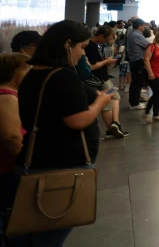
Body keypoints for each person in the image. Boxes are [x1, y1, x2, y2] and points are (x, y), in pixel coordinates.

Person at [14, 20, 112, 246]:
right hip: (60, 163)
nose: (82, 54)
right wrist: (100, 103)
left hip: (37, 157)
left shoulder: (32, 74)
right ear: (67, 44)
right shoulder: (64, 76)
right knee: (50, 234)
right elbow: (77, 120)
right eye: (81, 48)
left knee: (32, 231)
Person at [0, 53, 28, 236]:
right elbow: (12, 137)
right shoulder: (6, 96)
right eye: (27, 69)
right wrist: (24, 164)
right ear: (14, 72)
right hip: (8, 168)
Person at [83, 26, 126, 138]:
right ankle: (115, 125)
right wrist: (106, 61)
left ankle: (112, 128)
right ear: (101, 36)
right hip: (100, 78)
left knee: (108, 102)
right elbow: (91, 66)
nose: (106, 42)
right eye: (106, 39)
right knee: (114, 97)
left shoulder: (92, 46)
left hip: (100, 77)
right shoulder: (90, 47)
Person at [127, 19, 150, 110]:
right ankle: (134, 103)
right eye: (143, 25)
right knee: (136, 83)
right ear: (139, 26)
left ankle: (136, 99)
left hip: (135, 61)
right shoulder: (136, 35)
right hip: (138, 62)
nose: (144, 27)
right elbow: (148, 45)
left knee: (137, 82)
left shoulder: (133, 34)